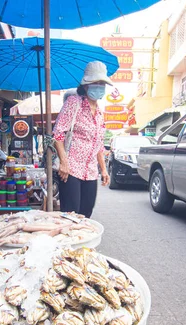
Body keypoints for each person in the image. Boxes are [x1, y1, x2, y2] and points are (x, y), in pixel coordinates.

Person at [52, 61, 111, 218]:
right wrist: (64, 162)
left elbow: (98, 145)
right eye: (96, 83)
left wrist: (104, 170)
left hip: (91, 172)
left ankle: (82, 243)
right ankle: (67, 243)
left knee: (86, 215)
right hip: (70, 170)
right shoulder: (73, 103)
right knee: (70, 215)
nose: (100, 86)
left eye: (102, 83)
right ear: (86, 85)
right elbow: (57, 134)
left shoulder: (99, 113)